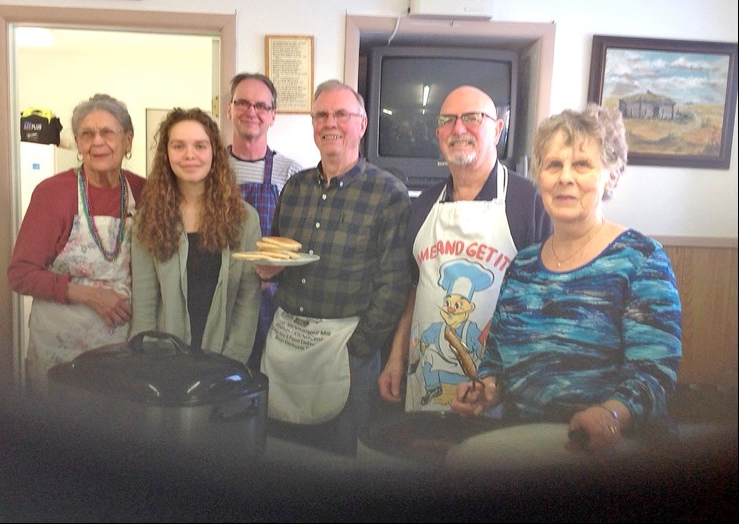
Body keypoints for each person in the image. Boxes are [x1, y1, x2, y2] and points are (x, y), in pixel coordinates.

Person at [450, 104, 682, 454]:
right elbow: (496, 361)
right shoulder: (524, 266)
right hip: (524, 441)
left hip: (615, 451)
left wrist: (611, 414)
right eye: (554, 164)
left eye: (582, 164)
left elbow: (654, 371)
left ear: (612, 175)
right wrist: (486, 389)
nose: (565, 177)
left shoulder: (640, 259)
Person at [255, 79, 411, 456]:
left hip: (347, 348)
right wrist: (267, 269)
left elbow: (394, 284)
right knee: (280, 453)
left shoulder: (388, 193)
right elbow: (281, 258)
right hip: (288, 344)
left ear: (362, 123)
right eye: (321, 115)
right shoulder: (294, 187)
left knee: (343, 462)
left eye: (342, 114)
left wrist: (357, 347)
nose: (330, 123)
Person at [378, 85, 552, 413]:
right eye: (448, 120)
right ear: (439, 133)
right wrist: (395, 358)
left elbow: (545, 302)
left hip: (499, 391)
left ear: (498, 129)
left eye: (472, 118)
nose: (459, 129)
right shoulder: (423, 205)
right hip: (424, 380)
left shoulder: (529, 202)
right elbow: (414, 289)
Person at [8, 93, 145, 393]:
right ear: (79, 145)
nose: (97, 142)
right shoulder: (52, 193)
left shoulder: (142, 191)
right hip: (61, 344)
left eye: (107, 132)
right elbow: (20, 274)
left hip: (122, 345)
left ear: (128, 140)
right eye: (87, 134)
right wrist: (88, 295)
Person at [130, 108, 261, 363]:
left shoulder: (244, 219)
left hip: (224, 362)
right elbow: (145, 304)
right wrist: (146, 363)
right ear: (166, 154)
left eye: (200, 146)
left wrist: (231, 363)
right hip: (164, 362)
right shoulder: (147, 219)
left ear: (214, 152)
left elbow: (247, 299)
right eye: (178, 146)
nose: (190, 155)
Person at [227, 73, 302, 371]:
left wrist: (277, 269)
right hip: (223, 296)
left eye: (261, 105)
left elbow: (299, 242)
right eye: (242, 103)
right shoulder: (211, 169)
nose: (251, 111)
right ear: (229, 109)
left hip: (271, 302)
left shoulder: (291, 173)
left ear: (273, 116)